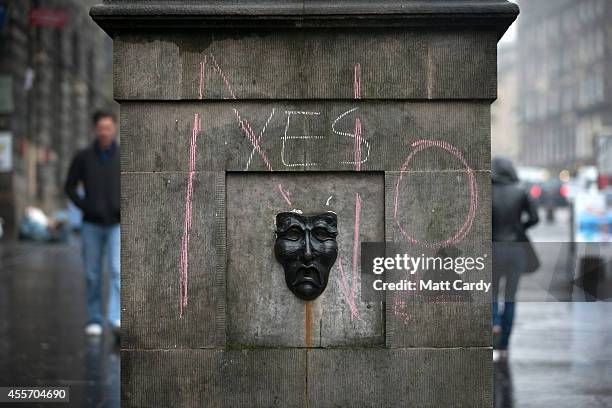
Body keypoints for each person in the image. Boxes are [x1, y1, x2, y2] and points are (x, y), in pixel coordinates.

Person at [65, 110, 120, 338]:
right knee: (92, 274)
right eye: (101, 128)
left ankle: (116, 317)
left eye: (108, 127)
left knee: (117, 270)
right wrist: (85, 206)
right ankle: (95, 318)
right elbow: (69, 186)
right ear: (95, 129)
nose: (104, 132)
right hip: (91, 225)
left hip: (117, 223)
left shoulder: (124, 155)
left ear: (114, 128)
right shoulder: (83, 157)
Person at [492, 156, 539, 361]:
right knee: (510, 296)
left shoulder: (486, 191)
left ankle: (494, 322)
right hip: (516, 249)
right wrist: (520, 228)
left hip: (493, 249)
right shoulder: (521, 191)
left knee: (491, 292)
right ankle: (504, 344)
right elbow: (535, 218)